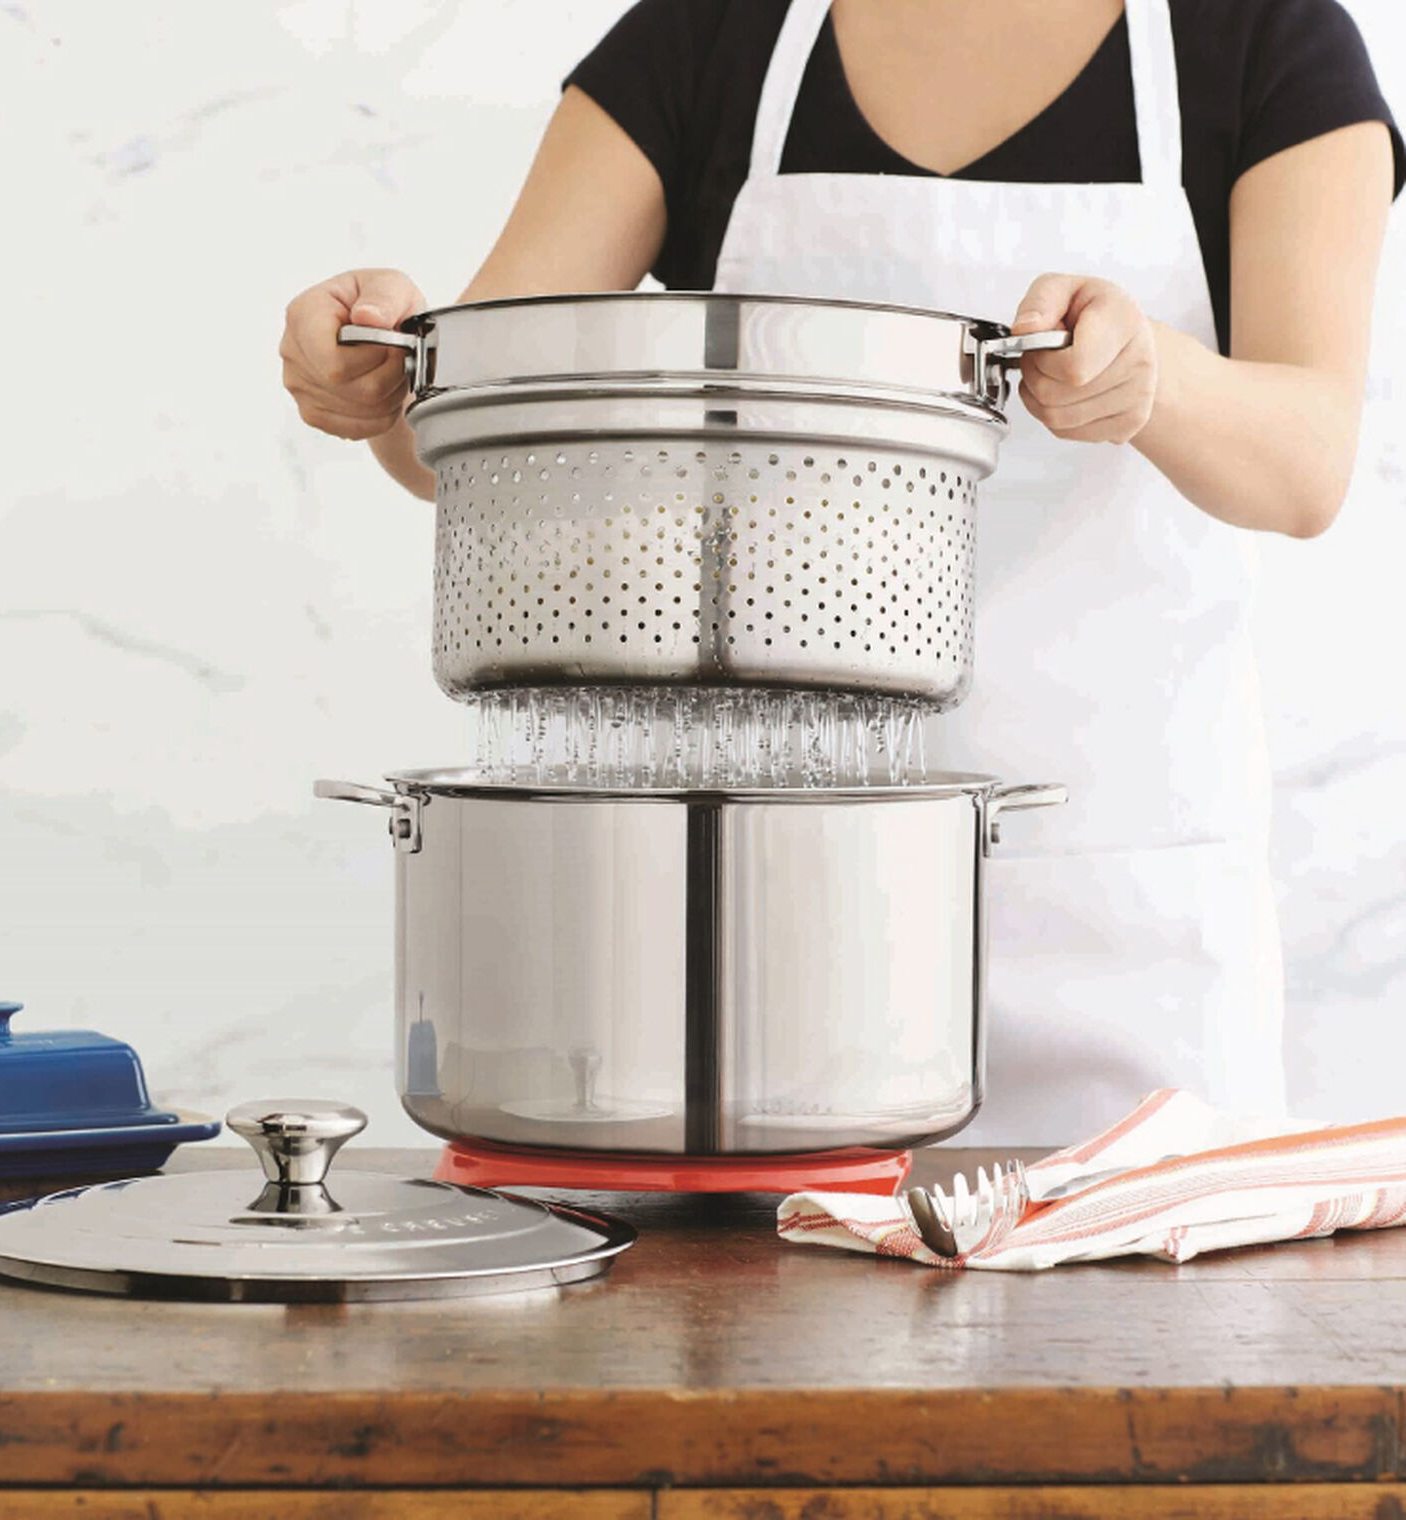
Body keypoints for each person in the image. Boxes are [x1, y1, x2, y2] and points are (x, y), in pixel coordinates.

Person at [280, 0, 1403, 1144]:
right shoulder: (709, 38)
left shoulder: (1262, 37)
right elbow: (474, 423)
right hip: (772, 947)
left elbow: (1306, 464)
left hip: (1125, 927)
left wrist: (1153, 377)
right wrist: (377, 384)